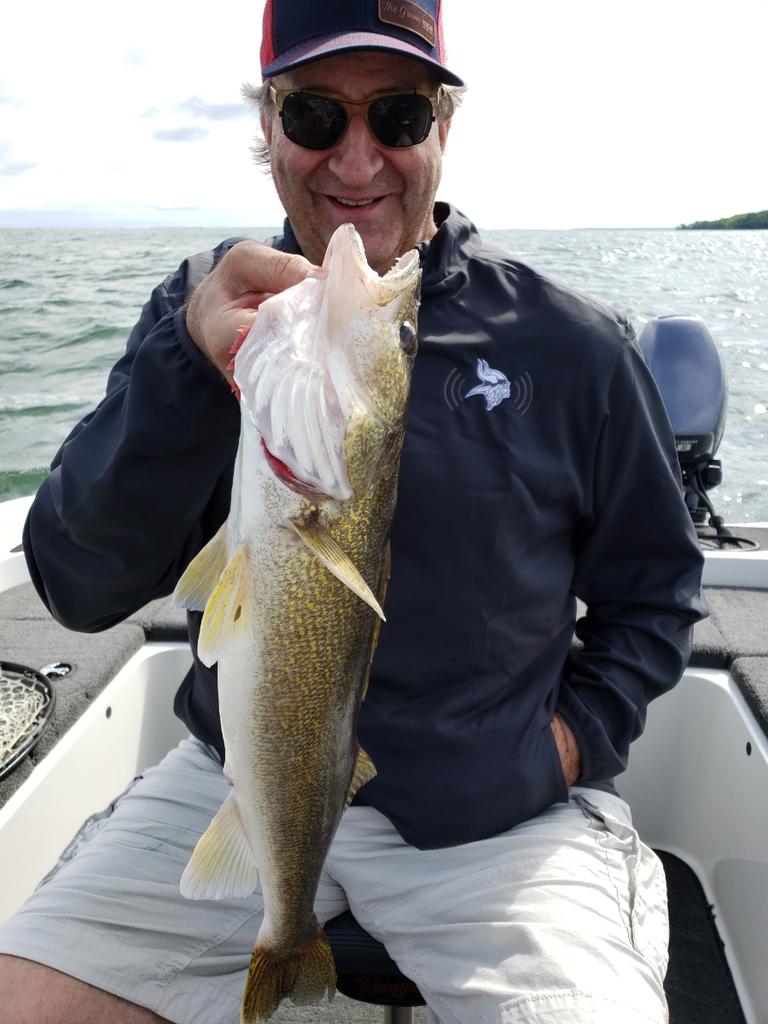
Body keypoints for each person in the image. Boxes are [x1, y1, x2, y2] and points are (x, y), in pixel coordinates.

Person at [0, 2, 706, 1022]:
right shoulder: (199, 313)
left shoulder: (576, 346)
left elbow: (658, 590)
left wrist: (562, 746)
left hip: (497, 824)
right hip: (238, 780)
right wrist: (188, 364)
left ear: (444, 125)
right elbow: (76, 583)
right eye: (317, 114)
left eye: (401, 115)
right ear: (270, 126)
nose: (359, 158)